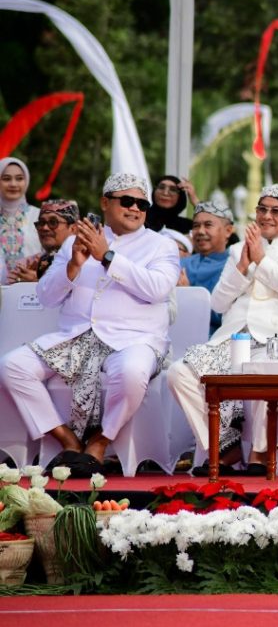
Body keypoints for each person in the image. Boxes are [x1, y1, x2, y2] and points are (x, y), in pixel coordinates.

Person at [0, 172, 179, 476]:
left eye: (142, 204)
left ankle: (100, 441)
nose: (135, 208)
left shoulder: (161, 245)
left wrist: (107, 256)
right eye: (127, 201)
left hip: (134, 339)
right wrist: (73, 265)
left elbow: (158, 289)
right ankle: (66, 439)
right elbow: (46, 296)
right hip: (76, 338)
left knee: (132, 372)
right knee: (12, 366)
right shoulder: (75, 241)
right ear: (105, 203)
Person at [167, 184, 278, 476]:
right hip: (234, 337)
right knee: (179, 373)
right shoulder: (237, 249)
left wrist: (262, 261)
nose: (266, 216)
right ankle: (222, 448)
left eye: (276, 211)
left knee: (269, 370)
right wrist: (242, 266)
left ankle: (259, 455)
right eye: (262, 209)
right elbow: (218, 302)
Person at [179, 200, 235, 336]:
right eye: (196, 226)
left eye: (208, 225)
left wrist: (188, 295)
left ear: (228, 231)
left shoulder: (235, 268)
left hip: (215, 340)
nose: (200, 231)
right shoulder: (181, 264)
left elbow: (228, 316)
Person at [7, 199, 78, 283]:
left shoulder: (83, 260)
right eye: (41, 222)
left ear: (73, 229)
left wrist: (39, 280)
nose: (45, 228)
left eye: (53, 222)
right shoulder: (26, 264)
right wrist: (17, 282)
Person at [0, 157, 41, 273]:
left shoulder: (40, 216)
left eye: (19, 178)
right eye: (6, 179)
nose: (13, 184)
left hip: (33, 283)